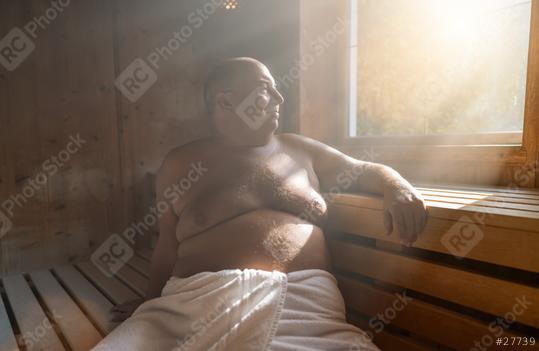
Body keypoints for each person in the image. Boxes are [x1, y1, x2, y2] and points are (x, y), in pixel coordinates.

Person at [99, 57, 428, 351]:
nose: (279, 99)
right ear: (225, 102)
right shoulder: (181, 164)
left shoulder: (300, 150)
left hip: (304, 309)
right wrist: (149, 302)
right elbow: (167, 247)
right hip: (193, 304)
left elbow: (363, 169)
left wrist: (396, 186)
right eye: (265, 89)